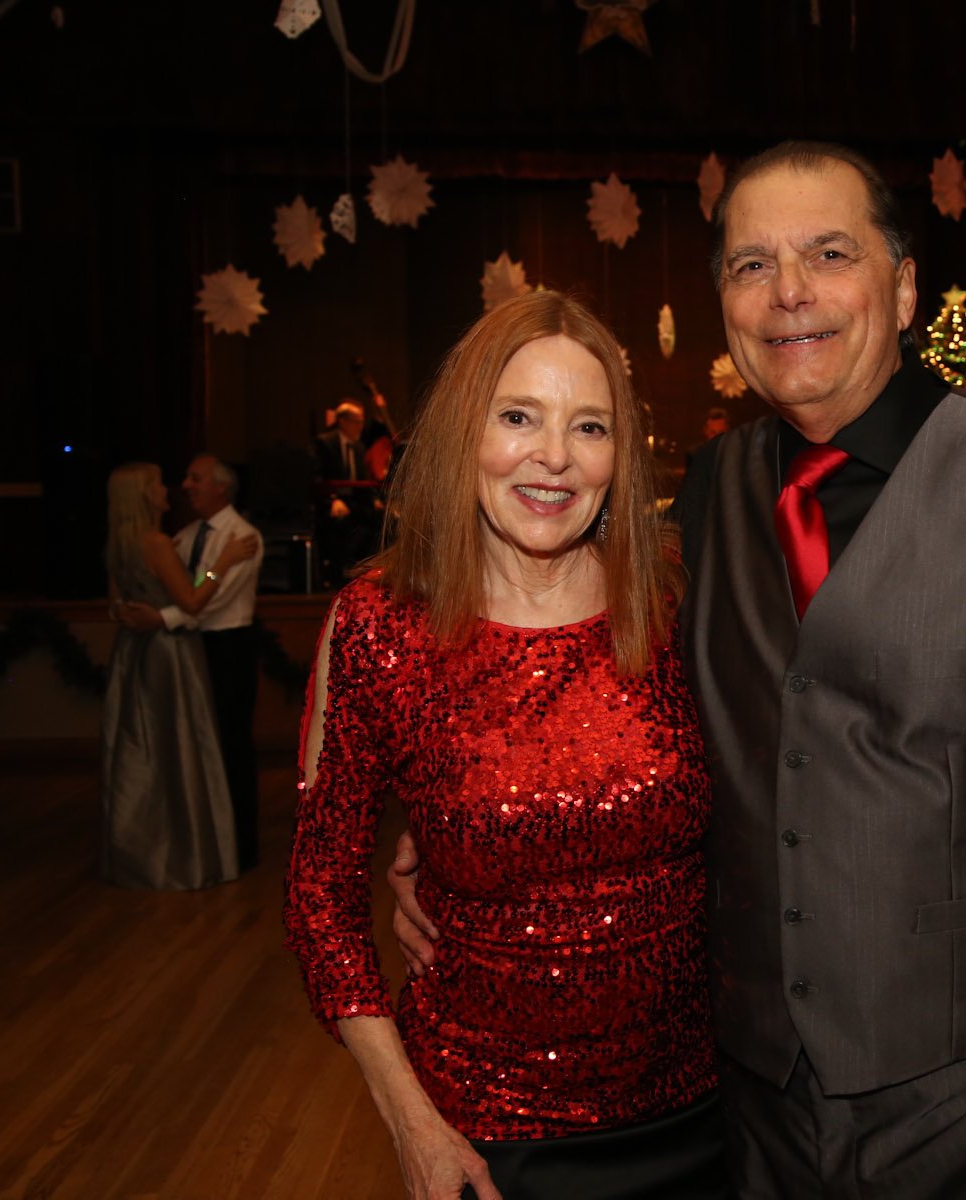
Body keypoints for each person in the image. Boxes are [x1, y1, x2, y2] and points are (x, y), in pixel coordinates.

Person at [394, 142, 966, 1197]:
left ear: (903, 289)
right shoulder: (711, 492)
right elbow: (606, 687)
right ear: (725, 304)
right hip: (756, 1115)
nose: (788, 291)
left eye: (829, 254)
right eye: (751, 265)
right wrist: (447, 822)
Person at [284, 290, 724, 1200]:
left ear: (619, 456)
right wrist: (412, 1124)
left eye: (589, 426)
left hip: (701, 1112)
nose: (554, 456)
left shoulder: (674, 601)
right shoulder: (379, 626)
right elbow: (321, 897)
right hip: (483, 1133)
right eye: (518, 416)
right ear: (463, 432)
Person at [100, 462, 258, 889]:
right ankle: (185, 847)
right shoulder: (158, 543)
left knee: (147, 748)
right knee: (180, 748)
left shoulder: (122, 542)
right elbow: (192, 600)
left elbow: (114, 603)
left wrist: (133, 615)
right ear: (143, 495)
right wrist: (221, 564)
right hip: (169, 654)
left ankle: (147, 844)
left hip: (134, 652)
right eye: (158, 484)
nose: (170, 489)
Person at [314, 395, 391, 583]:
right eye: (357, 422)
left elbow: (363, 480)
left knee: (382, 519)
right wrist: (333, 500)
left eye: (361, 422)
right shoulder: (324, 443)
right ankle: (337, 573)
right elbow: (317, 477)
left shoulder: (359, 447)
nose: (360, 427)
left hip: (356, 502)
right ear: (342, 421)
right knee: (341, 524)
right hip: (333, 503)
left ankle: (366, 572)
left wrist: (375, 500)